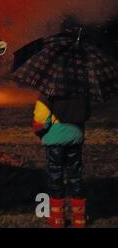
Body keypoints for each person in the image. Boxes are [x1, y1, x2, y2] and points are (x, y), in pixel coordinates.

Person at [33, 93, 89, 228]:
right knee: (76, 177)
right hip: (75, 138)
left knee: (55, 176)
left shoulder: (48, 95)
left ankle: (57, 218)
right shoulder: (81, 93)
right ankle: (79, 219)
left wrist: (39, 132)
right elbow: (86, 114)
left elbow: (40, 121)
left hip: (55, 140)